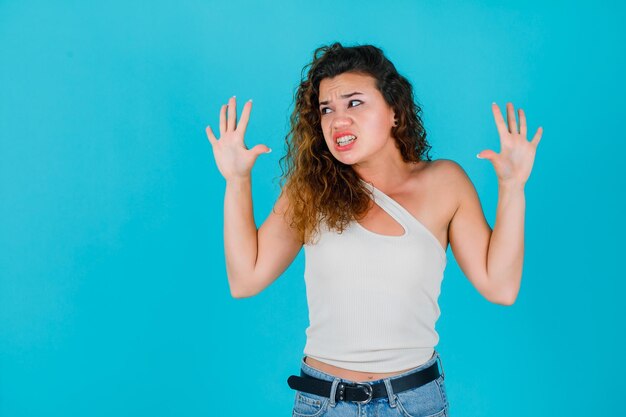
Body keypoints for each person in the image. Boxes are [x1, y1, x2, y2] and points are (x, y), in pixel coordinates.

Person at [205, 43, 542, 417]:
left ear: (394, 111)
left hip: (414, 403)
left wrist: (512, 187)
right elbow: (245, 279)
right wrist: (236, 179)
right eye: (326, 109)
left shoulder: (444, 183)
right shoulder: (310, 190)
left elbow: (501, 287)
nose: (337, 120)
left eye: (354, 103)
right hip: (324, 404)